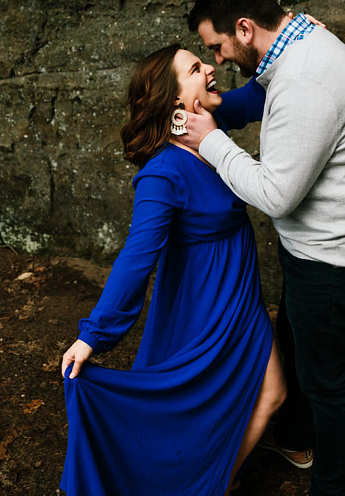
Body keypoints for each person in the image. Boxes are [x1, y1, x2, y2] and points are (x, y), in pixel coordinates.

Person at [176, 0, 345, 496]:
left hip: (341, 258)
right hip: (330, 245)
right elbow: (259, 100)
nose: (216, 62)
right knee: (298, 344)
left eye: (216, 47)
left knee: (326, 382)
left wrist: (210, 141)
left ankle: (333, 484)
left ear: (244, 27)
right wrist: (211, 112)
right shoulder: (297, 40)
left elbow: (277, 195)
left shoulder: (303, 80)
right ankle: (297, 438)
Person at [59, 43, 286, 495]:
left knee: (271, 395)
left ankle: (210, 483)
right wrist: (94, 334)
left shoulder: (211, 137)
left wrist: (297, 42)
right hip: (204, 310)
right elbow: (137, 257)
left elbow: (273, 93)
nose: (210, 66)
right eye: (194, 68)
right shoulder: (164, 174)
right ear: (174, 100)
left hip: (241, 302)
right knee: (198, 414)